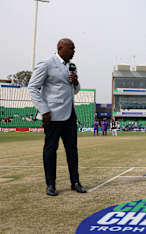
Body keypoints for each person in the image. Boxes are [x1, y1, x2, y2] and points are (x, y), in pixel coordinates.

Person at [27, 38, 86, 196]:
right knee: (51, 149)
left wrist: (75, 82)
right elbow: (32, 87)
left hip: (69, 114)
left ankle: (75, 182)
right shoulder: (47, 63)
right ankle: (50, 184)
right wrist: (44, 110)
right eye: (72, 48)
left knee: (72, 150)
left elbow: (75, 90)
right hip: (51, 115)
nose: (74, 51)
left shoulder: (72, 66)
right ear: (61, 48)